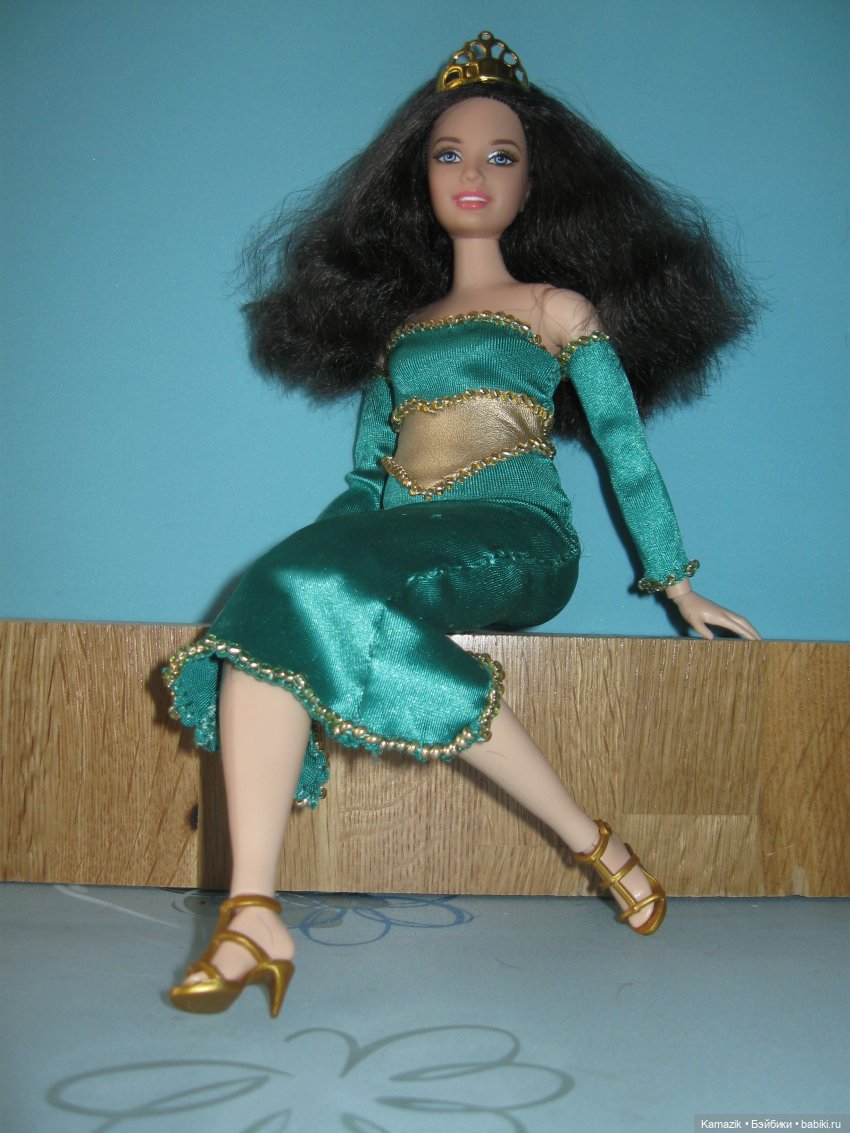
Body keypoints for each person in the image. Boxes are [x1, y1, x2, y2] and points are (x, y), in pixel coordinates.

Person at [165, 32, 760, 1016]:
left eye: (499, 155)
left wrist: (676, 579)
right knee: (276, 597)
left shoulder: (554, 308)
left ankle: (584, 838)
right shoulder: (400, 339)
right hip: (410, 544)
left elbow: (624, 447)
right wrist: (318, 556)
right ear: (422, 178)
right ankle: (253, 908)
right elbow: (367, 480)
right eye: (449, 154)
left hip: (520, 540)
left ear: (533, 184)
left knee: (296, 592)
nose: (472, 174)